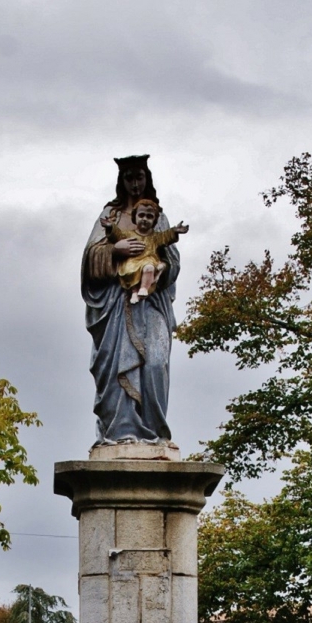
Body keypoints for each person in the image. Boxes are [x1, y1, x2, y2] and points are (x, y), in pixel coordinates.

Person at [82, 155, 180, 443]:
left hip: (150, 303)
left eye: (140, 177)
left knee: (155, 363)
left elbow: (172, 259)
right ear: (121, 181)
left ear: (147, 179)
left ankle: (154, 433)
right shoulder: (110, 217)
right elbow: (90, 258)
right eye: (129, 178)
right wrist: (115, 250)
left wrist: (161, 268)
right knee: (117, 372)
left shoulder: (157, 216)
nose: (135, 184)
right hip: (116, 305)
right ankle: (122, 431)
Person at [101, 198, 189, 304]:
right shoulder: (128, 234)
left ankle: (143, 288)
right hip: (132, 263)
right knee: (129, 271)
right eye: (141, 215)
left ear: (154, 221)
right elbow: (118, 235)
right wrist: (111, 227)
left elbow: (166, 236)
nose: (145, 219)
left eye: (149, 216)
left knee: (149, 268)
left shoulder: (155, 236)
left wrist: (175, 231)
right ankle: (134, 292)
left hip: (149, 261)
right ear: (135, 217)